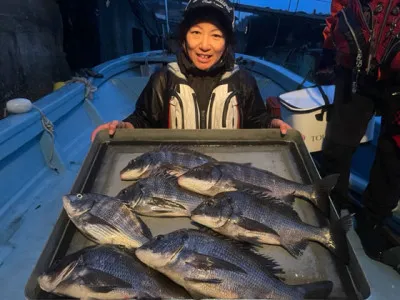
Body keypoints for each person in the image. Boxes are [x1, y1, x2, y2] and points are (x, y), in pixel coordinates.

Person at [91, 0, 293, 141]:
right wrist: (124, 128)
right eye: (196, 32)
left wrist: (272, 125)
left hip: (227, 173)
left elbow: (256, 120)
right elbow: (143, 119)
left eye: (216, 35)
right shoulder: (163, 80)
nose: (204, 45)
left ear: (227, 43)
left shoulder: (243, 81)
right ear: (184, 38)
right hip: (175, 173)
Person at [317, 0, 400, 271]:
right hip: (354, 63)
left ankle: (372, 223)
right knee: (338, 145)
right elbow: (340, 7)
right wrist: (329, 46)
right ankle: (329, 208)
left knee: (395, 154)